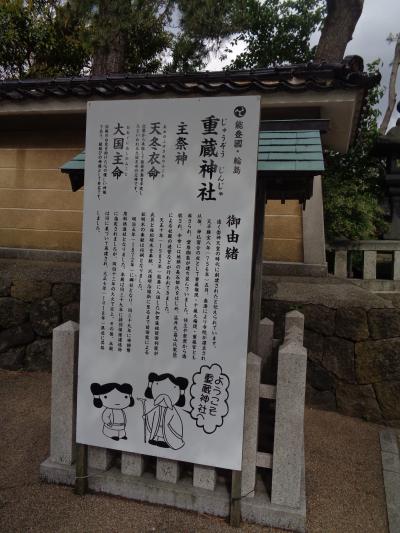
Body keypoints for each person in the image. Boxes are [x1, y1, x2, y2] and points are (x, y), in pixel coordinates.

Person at [142, 372, 188, 450]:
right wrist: (146, 416)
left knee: (163, 434)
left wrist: (166, 424)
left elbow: (176, 422)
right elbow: (152, 414)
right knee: (157, 432)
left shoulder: (172, 411)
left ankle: (165, 441)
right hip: (157, 427)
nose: (164, 396)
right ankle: (155, 439)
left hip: (167, 430)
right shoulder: (158, 408)